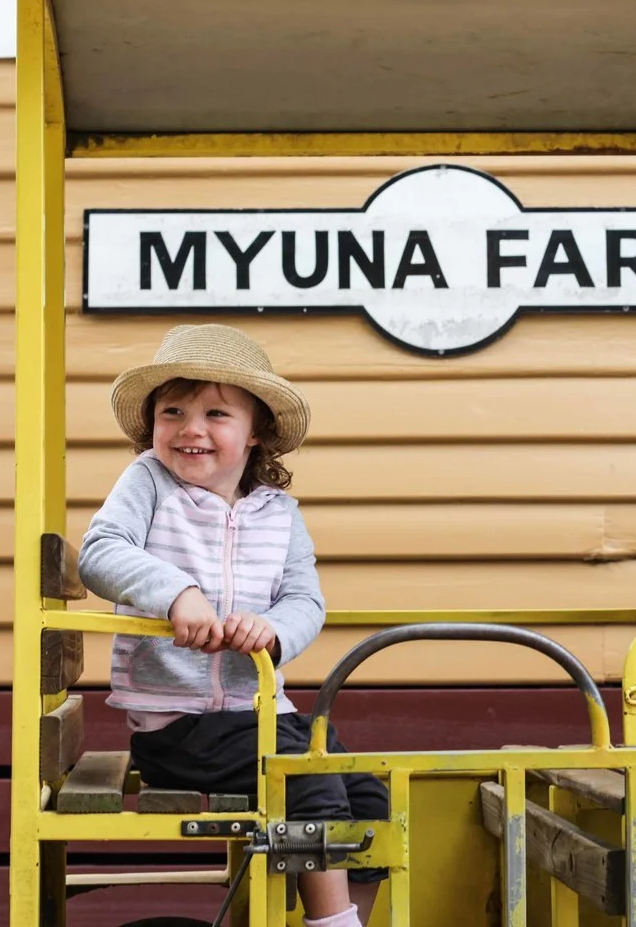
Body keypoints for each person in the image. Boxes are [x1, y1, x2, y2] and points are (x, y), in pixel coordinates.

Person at [79, 324, 386, 927]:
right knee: (309, 784)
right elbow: (100, 549)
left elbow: (305, 600)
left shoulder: (280, 515)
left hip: (261, 716)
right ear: (151, 426)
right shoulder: (148, 483)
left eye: (216, 413)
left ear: (256, 434)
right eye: (173, 412)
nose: (191, 428)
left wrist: (271, 630)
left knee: (370, 799)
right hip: (180, 726)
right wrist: (177, 593)